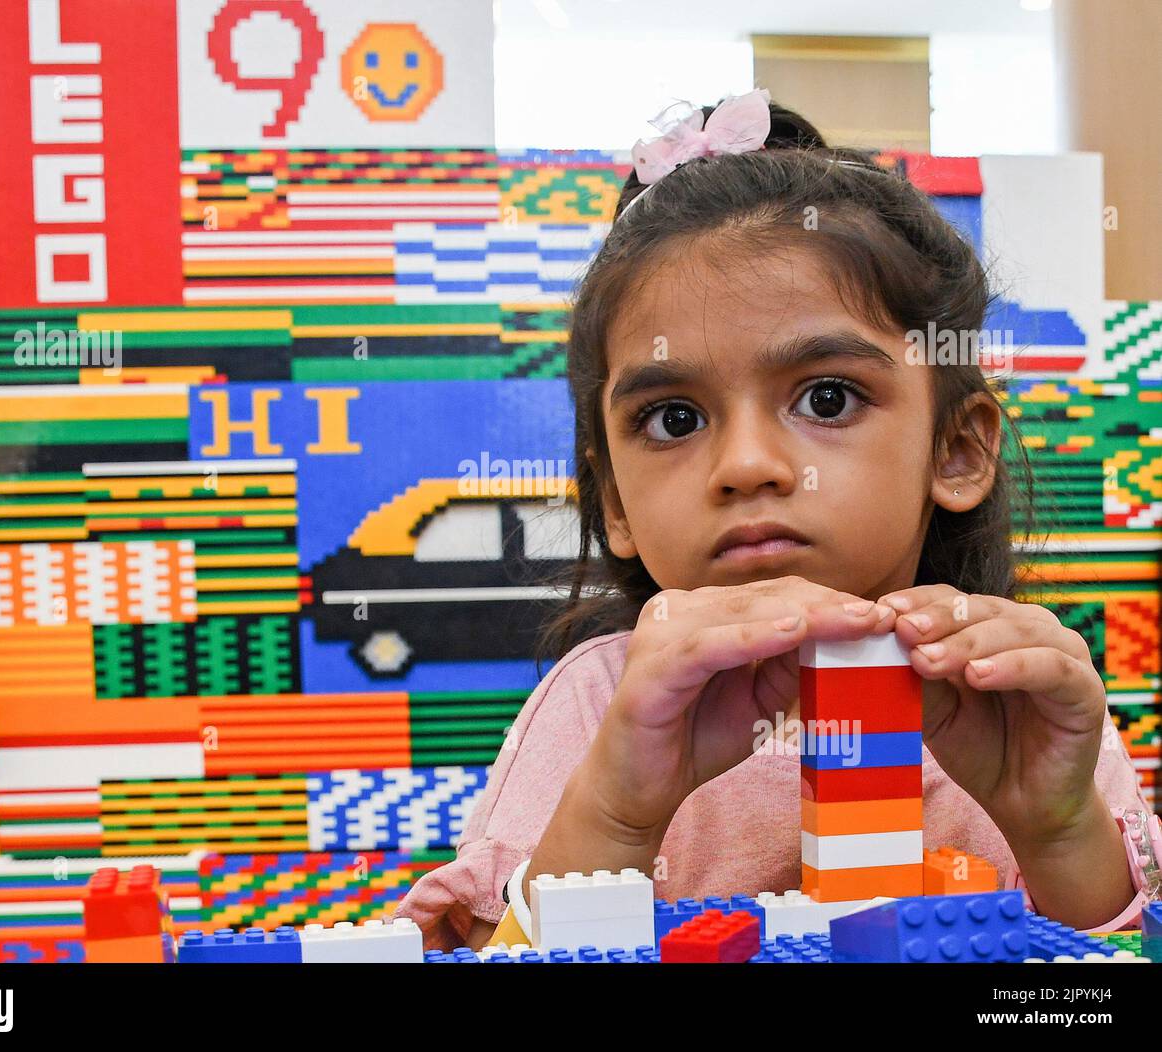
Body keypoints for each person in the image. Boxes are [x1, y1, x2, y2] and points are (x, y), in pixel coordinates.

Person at [393, 90, 1159, 952]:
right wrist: (613, 811)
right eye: (674, 419)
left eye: (826, 398)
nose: (748, 465)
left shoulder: (1022, 700)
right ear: (614, 502)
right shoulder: (596, 708)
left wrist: (1057, 834)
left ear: (956, 451)